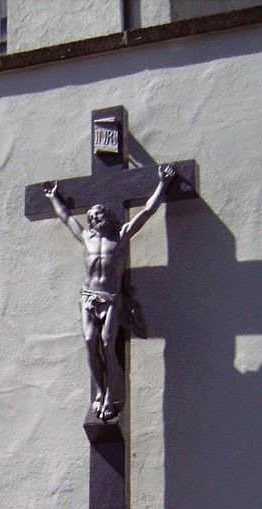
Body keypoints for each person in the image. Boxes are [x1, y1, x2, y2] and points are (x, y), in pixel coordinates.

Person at [44, 164, 175, 421]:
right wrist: (53, 198)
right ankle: (100, 390)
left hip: (112, 298)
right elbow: (67, 218)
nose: (95, 219)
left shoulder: (122, 235)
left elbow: (147, 211)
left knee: (107, 344)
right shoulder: (86, 238)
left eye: (99, 215)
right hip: (88, 297)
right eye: (92, 217)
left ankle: (110, 396)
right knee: (90, 343)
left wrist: (162, 183)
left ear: (108, 217)